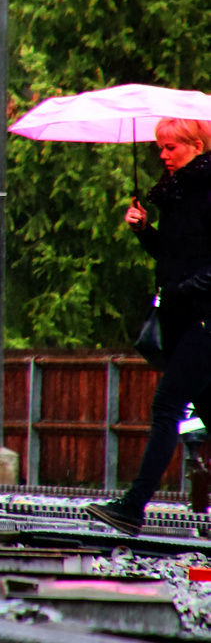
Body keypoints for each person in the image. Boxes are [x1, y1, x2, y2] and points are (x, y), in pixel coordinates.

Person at [87, 117, 211, 534]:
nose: (162, 154)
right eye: (159, 147)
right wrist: (145, 232)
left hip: (204, 320)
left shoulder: (206, 192)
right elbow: (176, 255)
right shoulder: (178, 196)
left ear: (196, 145)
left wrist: (186, 289)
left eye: (170, 147)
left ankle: (132, 507)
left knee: (166, 407)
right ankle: (132, 507)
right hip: (183, 318)